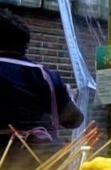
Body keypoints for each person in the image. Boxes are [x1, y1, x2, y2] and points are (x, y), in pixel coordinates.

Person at [0, 10, 83, 159]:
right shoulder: (46, 76)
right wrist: (66, 97)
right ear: (24, 45)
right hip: (45, 161)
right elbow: (73, 120)